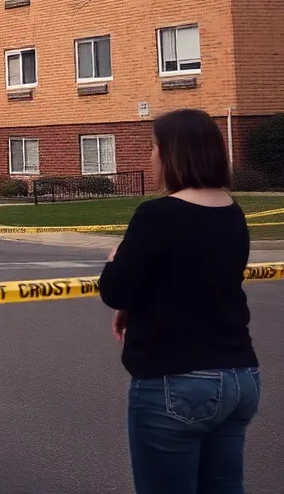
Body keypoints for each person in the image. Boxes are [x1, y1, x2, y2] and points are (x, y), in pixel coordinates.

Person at [99, 109, 259, 494]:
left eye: (154, 147)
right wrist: (132, 307)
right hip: (239, 376)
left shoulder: (157, 215)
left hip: (177, 380)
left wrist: (114, 263)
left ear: (173, 153)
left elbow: (115, 290)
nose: (150, 156)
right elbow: (196, 281)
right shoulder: (231, 211)